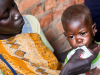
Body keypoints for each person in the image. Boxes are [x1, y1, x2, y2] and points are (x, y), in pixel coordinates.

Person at [0, 0, 96, 75]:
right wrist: (67, 71)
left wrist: (82, 49)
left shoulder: (30, 23)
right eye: (6, 16)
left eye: (13, 5)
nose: (17, 15)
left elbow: (52, 59)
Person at [60, 4, 100, 75]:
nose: (78, 40)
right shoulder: (70, 59)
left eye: (83, 33)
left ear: (93, 29)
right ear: (66, 37)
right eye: (71, 37)